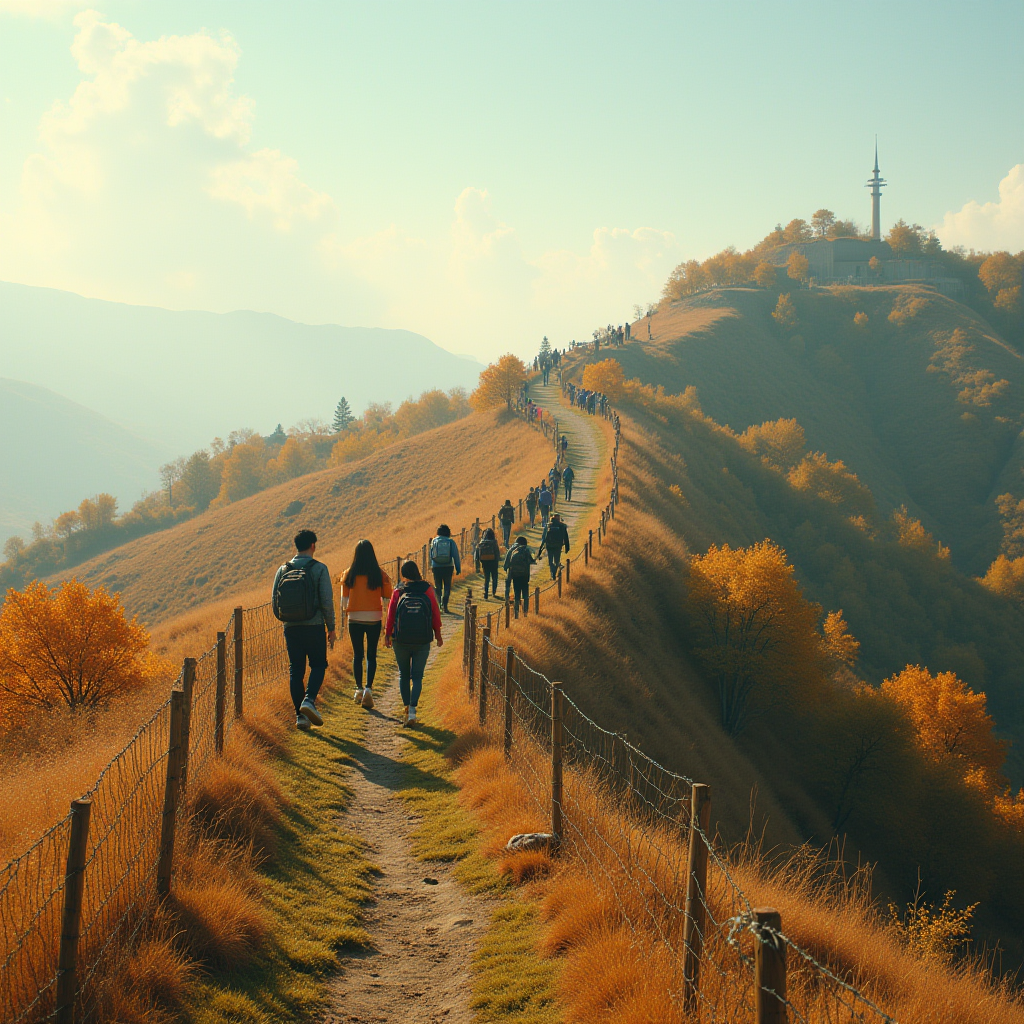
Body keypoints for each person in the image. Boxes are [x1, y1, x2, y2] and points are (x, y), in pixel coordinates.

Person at [271, 528, 335, 731]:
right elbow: (326, 601)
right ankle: (309, 700)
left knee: (296, 670)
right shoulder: (319, 568)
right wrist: (331, 628)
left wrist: (286, 619)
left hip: (290, 627)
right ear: (313, 546)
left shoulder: (282, 569)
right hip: (314, 625)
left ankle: (300, 717)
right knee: (318, 665)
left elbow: (274, 602)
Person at [385, 561, 443, 726]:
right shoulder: (428, 589)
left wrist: (387, 634)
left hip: (401, 639)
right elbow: (435, 613)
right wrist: (438, 635)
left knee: (404, 675)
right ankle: (412, 711)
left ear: (403, 574)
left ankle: (406, 709)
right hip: (422, 639)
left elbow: (391, 614)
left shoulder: (398, 591)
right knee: (417, 676)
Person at [341, 539, 393, 711]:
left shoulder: (349, 574)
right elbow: (388, 594)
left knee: (358, 655)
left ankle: (358, 689)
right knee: (371, 654)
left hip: (355, 617)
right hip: (374, 617)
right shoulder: (378, 573)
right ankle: (369, 688)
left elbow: (343, 602)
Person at [429, 524, 461, 613]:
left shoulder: (434, 541)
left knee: (438, 586)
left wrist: (431, 566)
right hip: (448, 566)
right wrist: (458, 568)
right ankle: (445, 605)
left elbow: (431, 555)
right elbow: (456, 555)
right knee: (447, 586)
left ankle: (439, 605)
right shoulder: (450, 541)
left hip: (436, 567)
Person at [503, 535, 535, 616]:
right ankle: (525, 612)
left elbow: (505, 565)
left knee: (517, 593)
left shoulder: (511, 550)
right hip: (525, 575)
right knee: (525, 594)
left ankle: (516, 612)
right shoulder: (526, 550)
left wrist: (508, 569)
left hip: (515, 575)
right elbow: (532, 561)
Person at [541, 513, 570, 580]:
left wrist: (542, 546)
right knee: (557, 561)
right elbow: (565, 537)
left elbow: (544, 537)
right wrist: (567, 547)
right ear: (559, 519)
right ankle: (554, 572)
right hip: (558, 545)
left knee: (550, 561)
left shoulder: (548, 525)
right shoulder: (562, 526)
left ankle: (552, 573)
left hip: (549, 546)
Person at [475, 527, 501, 599]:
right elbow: (497, 553)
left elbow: (476, 556)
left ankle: (486, 592)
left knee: (487, 578)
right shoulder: (494, 543)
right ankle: (493, 592)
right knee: (494, 577)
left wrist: (477, 566)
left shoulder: (481, 543)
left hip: (485, 563)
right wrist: (497, 560)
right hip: (493, 562)